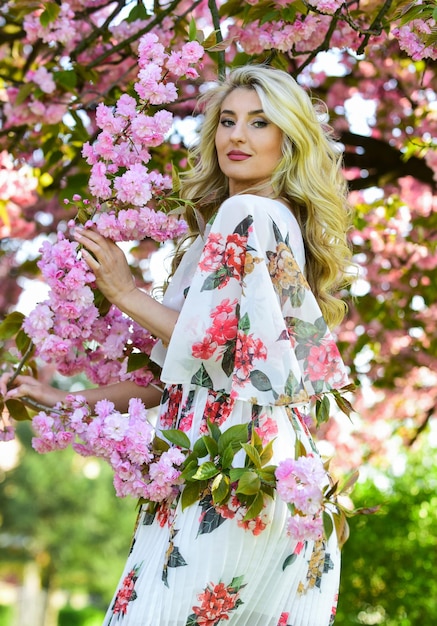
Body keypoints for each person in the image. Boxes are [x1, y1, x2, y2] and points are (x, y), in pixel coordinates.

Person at [2, 65, 352, 626]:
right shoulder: (260, 221)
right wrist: (59, 397)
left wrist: (122, 291)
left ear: (289, 140)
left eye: (260, 123)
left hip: (230, 468)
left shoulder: (250, 213)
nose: (237, 135)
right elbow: (173, 378)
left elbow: (220, 350)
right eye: (228, 121)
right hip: (265, 472)